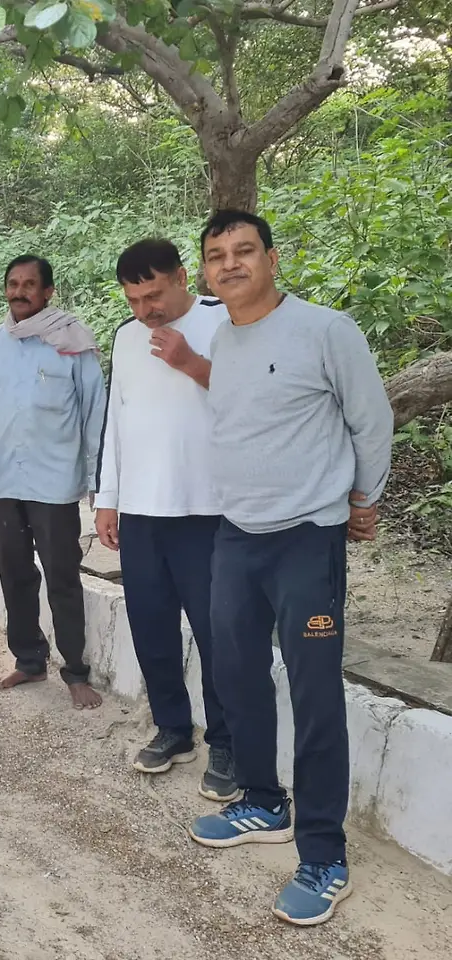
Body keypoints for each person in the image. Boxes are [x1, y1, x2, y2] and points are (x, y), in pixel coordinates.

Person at [187, 210, 392, 927]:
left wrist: (363, 498)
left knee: (314, 695)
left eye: (244, 250)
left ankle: (324, 855)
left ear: (272, 259)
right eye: (217, 255)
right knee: (236, 673)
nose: (230, 264)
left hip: (307, 536)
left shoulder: (326, 330)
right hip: (237, 535)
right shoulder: (223, 338)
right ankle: (262, 802)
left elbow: (370, 420)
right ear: (206, 272)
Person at [94, 238, 234, 800]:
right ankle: (173, 728)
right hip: (141, 512)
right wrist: (108, 498)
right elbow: (116, 422)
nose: (144, 310)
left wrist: (190, 363)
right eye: (133, 299)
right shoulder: (126, 337)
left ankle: (226, 741)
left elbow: (253, 400)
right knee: (151, 628)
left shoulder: (225, 321)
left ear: (181, 276)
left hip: (207, 509)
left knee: (218, 634)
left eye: (153, 295)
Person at [0, 254, 106, 710]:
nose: (19, 292)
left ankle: (76, 672)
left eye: (29, 285)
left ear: (48, 292)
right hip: (5, 482)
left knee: (62, 577)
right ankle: (29, 660)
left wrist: (97, 481)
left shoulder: (73, 342)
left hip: (55, 484)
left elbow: (95, 415)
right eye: (13, 284)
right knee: (15, 575)